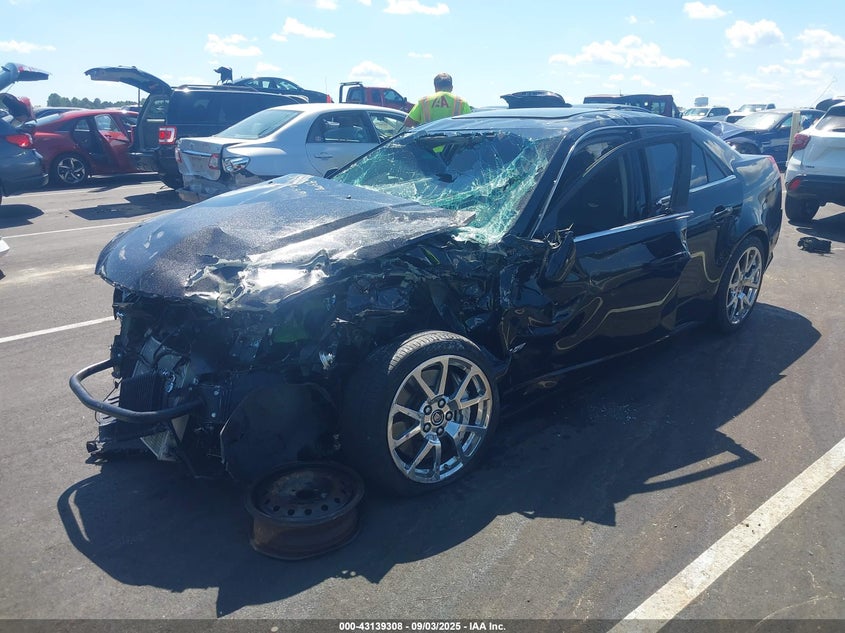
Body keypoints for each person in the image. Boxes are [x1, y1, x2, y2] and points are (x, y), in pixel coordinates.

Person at [404, 73, 472, 128]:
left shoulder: (424, 101)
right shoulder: (461, 103)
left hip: (428, 144)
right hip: (453, 144)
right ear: (451, 88)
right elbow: (470, 125)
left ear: (435, 87)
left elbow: (408, 123)